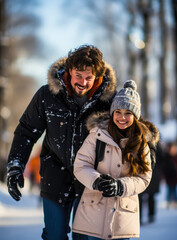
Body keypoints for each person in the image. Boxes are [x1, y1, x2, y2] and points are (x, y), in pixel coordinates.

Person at [6, 45, 117, 240]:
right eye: (78, 75)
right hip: (55, 174)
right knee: (55, 235)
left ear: (97, 77)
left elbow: (130, 134)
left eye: (88, 77)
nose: (83, 82)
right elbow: (26, 131)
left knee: (85, 236)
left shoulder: (109, 101)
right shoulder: (47, 95)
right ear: (69, 71)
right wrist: (16, 165)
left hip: (92, 178)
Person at [73, 80, 160, 239]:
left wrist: (120, 186)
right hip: (94, 214)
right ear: (112, 112)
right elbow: (80, 165)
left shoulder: (142, 143)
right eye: (118, 112)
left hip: (122, 218)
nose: (122, 117)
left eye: (128, 113)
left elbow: (144, 178)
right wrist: (97, 181)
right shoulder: (97, 135)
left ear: (135, 115)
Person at [139, 140, 164, 224]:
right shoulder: (157, 144)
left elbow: (162, 159)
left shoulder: (155, 144)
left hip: (152, 174)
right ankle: (147, 216)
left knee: (146, 197)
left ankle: (147, 216)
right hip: (147, 174)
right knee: (144, 197)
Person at [163, 141, 177, 208]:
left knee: (175, 190)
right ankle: (168, 202)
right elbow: (164, 167)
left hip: (175, 177)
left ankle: (176, 202)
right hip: (169, 176)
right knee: (169, 190)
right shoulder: (167, 157)